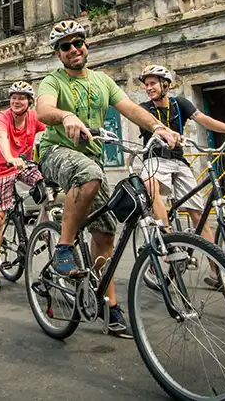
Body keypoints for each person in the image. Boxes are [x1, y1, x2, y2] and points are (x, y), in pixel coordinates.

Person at [36, 20, 182, 339]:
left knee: (105, 235)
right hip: (56, 151)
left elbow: (129, 107)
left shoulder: (102, 81)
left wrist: (159, 128)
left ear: (86, 46)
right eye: (66, 46)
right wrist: (66, 115)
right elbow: (43, 110)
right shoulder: (53, 80)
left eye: (78, 43)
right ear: (58, 54)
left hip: (92, 157)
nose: (74, 49)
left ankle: (108, 306)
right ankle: (63, 247)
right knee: (89, 176)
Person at [136, 64, 225, 288]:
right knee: (150, 185)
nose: (148, 88)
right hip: (155, 159)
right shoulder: (145, 108)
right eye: (146, 84)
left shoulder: (180, 104)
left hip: (179, 161)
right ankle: (169, 241)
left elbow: (204, 120)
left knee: (198, 215)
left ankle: (217, 272)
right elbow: (148, 124)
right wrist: (165, 133)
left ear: (165, 85)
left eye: (153, 83)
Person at [0, 81, 45, 294]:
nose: (16, 101)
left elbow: (52, 127)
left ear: (29, 102)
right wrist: (10, 157)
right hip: (1, 168)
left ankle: (45, 226)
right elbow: (1, 137)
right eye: (13, 97)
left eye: (21, 98)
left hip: (23, 165)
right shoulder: (2, 117)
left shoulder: (33, 117)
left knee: (45, 187)